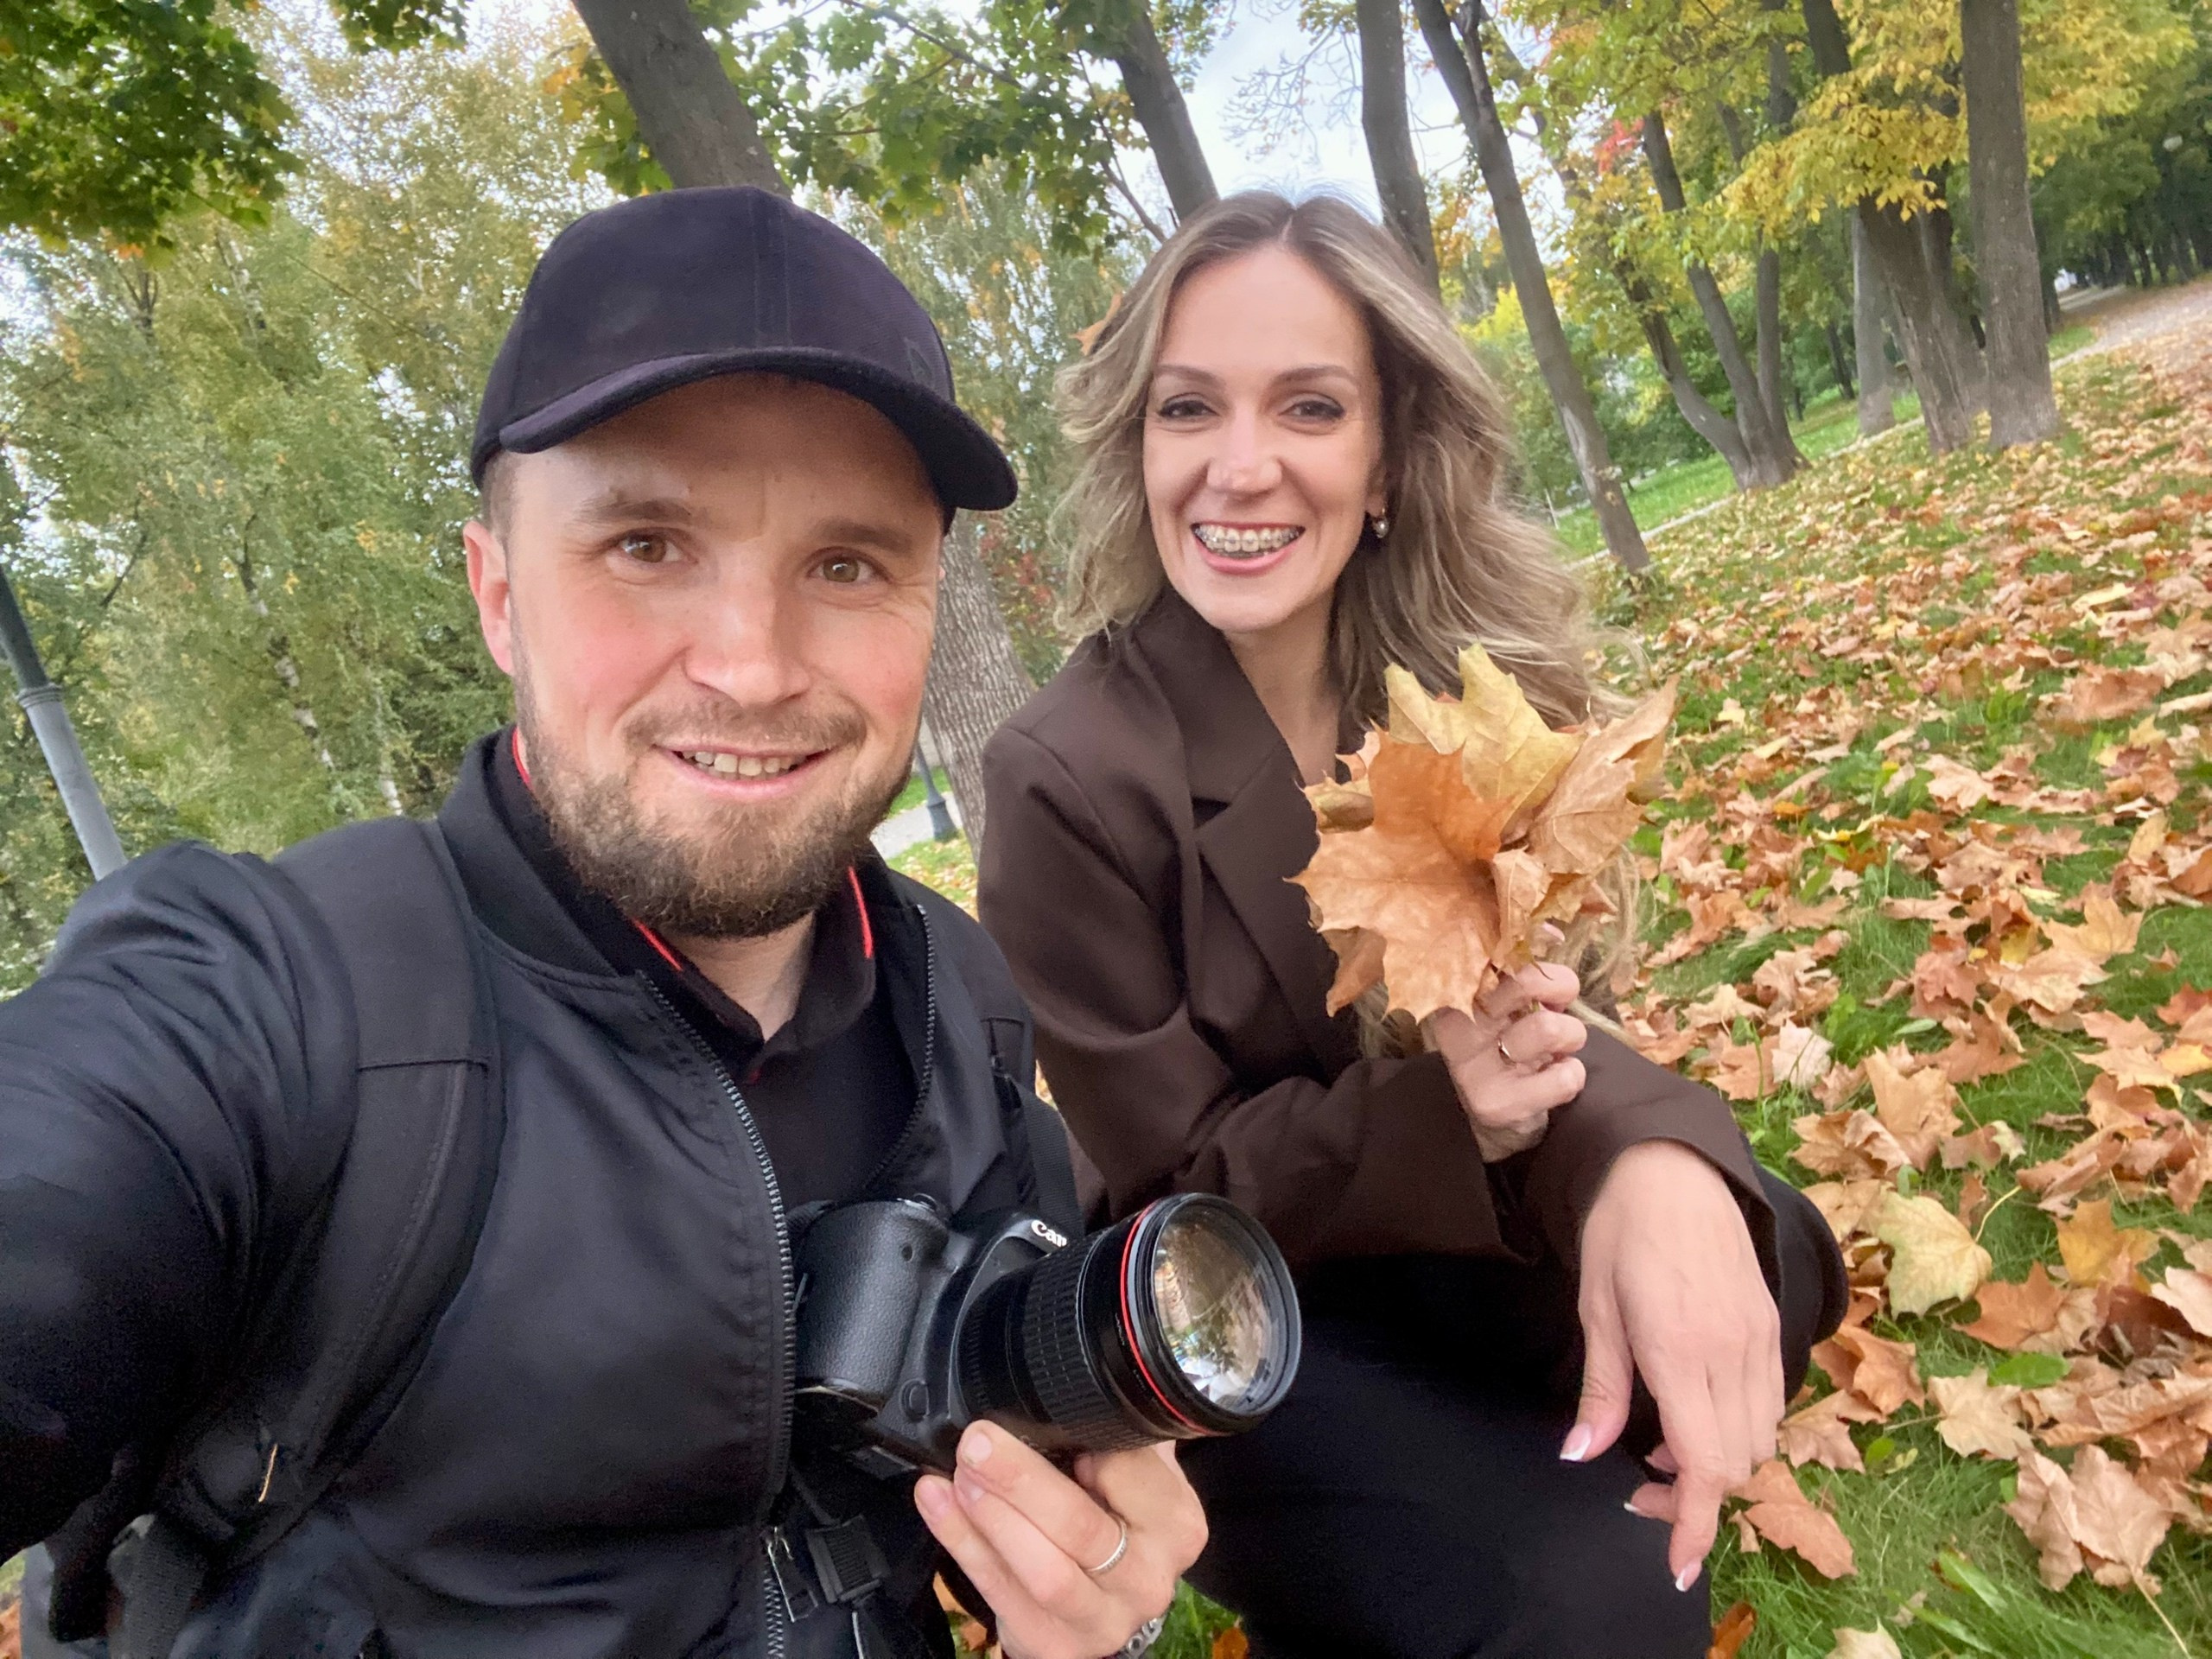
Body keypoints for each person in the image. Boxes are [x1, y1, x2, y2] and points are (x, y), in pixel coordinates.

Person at [0, 187, 1204, 1659]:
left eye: (846, 563)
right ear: (498, 593)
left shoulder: (957, 993)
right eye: (645, 543)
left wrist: (1090, 1599)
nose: (754, 667)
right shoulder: (278, 1007)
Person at [976, 192, 1847, 1657]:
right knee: (1597, 1605)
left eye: (1308, 407)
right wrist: (1450, 1111)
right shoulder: (1064, 776)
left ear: (1384, 459)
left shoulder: (1459, 683)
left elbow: (1544, 1011)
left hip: (1470, 1226)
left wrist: (1647, 1157)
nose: (1240, 465)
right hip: (1248, 1306)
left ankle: (1520, 1455)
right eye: (1191, 407)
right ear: (1141, 443)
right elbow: (1173, 1183)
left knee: (1767, 1250)